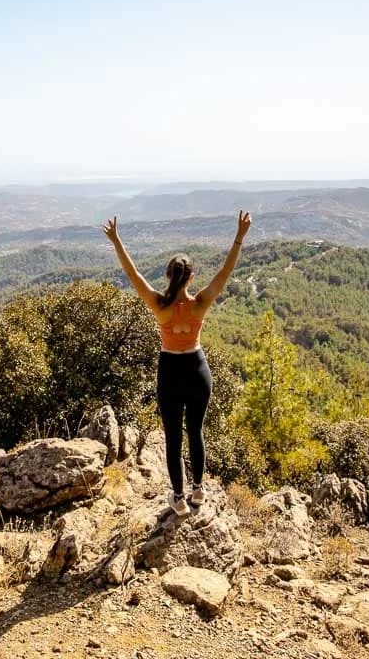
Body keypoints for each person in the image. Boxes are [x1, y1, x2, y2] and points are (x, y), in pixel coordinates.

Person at [103, 210, 252, 515]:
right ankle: (198, 491)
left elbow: (133, 275)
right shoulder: (199, 304)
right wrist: (239, 236)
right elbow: (225, 271)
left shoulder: (159, 306)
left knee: (173, 437)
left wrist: (117, 240)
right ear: (191, 278)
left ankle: (179, 498)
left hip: (170, 371)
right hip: (197, 371)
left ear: (168, 276)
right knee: (195, 431)